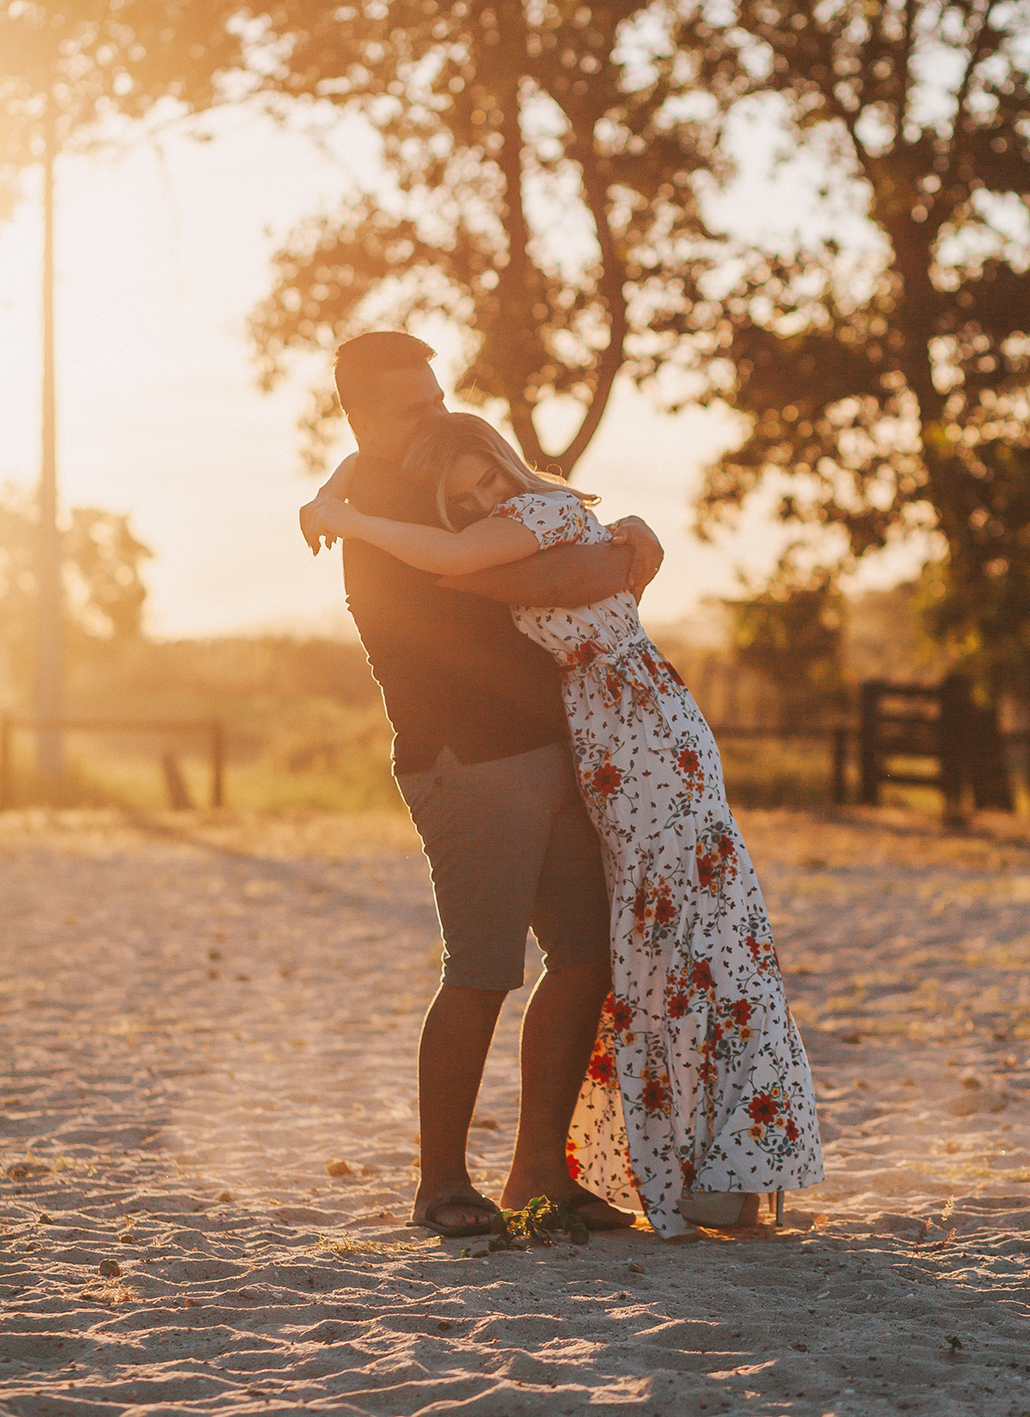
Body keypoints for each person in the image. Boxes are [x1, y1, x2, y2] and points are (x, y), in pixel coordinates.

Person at [309, 406, 825, 1240]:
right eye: (462, 489)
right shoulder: (426, 525)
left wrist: (623, 544)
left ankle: (564, 1167)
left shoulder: (515, 515)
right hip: (517, 755)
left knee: (614, 948)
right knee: (507, 963)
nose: (478, 494)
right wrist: (336, 503)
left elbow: (551, 577)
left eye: (484, 472)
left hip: (604, 744)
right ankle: (449, 1180)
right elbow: (527, 570)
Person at [300, 331, 664, 1239]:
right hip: (467, 762)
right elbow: (557, 573)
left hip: (550, 749)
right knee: (483, 969)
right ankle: (440, 1185)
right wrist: (620, 552)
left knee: (587, 954)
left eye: (437, 396)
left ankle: (540, 1171)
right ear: (364, 418)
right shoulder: (392, 519)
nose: (439, 415)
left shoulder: (407, 487)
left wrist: (331, 486)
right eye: (412, 407)